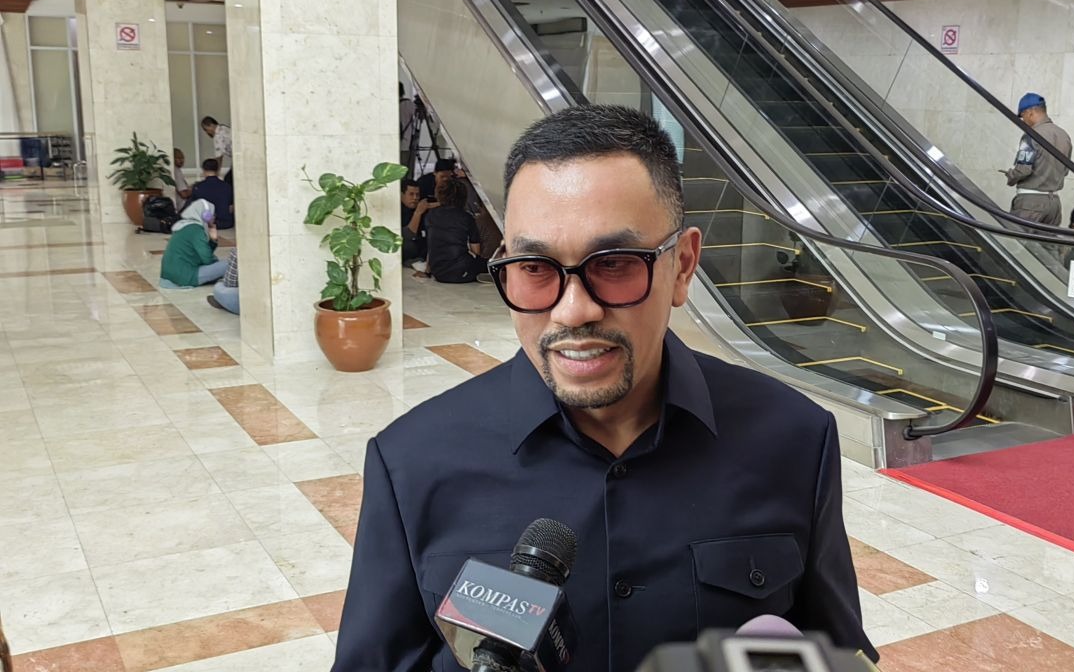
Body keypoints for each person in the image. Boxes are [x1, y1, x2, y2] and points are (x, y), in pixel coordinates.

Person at [333, 105, 876, 672]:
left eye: (614, 264)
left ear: (683, 266)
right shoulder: (411, 462)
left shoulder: (794, 438)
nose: (573, 311)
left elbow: (833, 653)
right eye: (534, 267)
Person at [1001, 92, 1072, 226]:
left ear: (1030, 113)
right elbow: (1065, 171)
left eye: (1023, 116)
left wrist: (1011, 175)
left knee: (1018, 239)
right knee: (1046, 241)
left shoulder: (1030, 136)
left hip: (1030, 204)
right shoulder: (1064, 136)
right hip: (1054, 205)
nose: (1023, 121)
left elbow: (1023, 170)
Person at [421, 176, 488, 283]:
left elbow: (431, 245)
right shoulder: (466, 217)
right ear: (463, 197)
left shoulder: (430, 215)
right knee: (490, 264)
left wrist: (428, 271)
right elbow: (476, 250)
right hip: (462, 271)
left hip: (438, 273)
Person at [159, 199, 228, 289]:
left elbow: (203, 254)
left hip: (171, 275)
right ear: (206, 216)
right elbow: (207, 259)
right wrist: (217, 267)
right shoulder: (196, 230)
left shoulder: (184, 225)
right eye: (213, 214)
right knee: (231, 264)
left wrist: (213, 240)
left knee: (218, 264)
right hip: (185, 277)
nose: (214, 217)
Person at [188, 158, 234, 229]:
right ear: (218, 170)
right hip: (225, 224)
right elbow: (231, 207)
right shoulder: (227, 186)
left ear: (203, 170)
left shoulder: (198, 187)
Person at [400, 178, 435, 266]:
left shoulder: (420, 205)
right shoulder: (398, 211)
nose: (415, 198)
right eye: (411, 194)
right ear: (402, 195)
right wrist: (418, 213)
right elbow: (408, 235)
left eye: (417, 195)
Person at [200, 115, 234, 191]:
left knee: (228, 180)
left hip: (237, 159)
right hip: (237, 157)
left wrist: (215, 173)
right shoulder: (224, 128)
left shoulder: (218, 136)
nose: (207, 132)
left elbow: (219, 157)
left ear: (210, 125)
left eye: (206, 129)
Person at [208, 249, 240, 314]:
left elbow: (207, 260)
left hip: (249, 303)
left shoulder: (240, 251)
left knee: (218, 287)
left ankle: (222, 301)